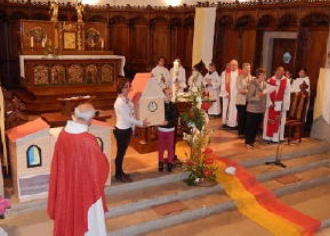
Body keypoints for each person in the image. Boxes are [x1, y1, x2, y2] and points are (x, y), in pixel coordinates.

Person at [48, 103, 109, 236]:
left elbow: (58, 163)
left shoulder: (63, 135)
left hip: (66, 185)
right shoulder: (88, 140)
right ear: (89, 119)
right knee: (89, 220)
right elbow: (100, 167)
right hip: (85, 188)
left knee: (68, 211)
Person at [114, 79, 149, 182]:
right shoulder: (119, 102)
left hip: (127, 129)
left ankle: (121, 172)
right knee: (120, 153)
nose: (129, 88)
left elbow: (132, 110)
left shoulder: (126, 99)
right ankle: (118, 175)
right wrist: (141, 123)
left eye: (129, 86)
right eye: (126, 87)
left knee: (123, 152)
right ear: (121, 88)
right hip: (121, 130)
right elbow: (128, 118)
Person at [263, 66, 291, 143]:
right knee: (269, 121)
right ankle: (268, 137)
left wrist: (283, 106)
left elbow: (287, 94)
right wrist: (270, 103)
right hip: (271, 105)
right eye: (278, 71)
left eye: (281, 72)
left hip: (280, 106)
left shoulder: (287, 81)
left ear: (283, 72)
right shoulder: (270, 80)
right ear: (275, 72)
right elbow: (267, 93)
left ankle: (276, 138)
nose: (279, 73)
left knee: (279, 122)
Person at [245, 68, 267, 149]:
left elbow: (265, 96)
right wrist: (257, 97)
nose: (265, 76)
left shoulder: (264, 84)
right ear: (258, 75)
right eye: (263, 75)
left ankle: (252, 141)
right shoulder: (253, 83)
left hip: (260, 109)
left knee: (256, 127)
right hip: (252, 109)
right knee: (250, 127)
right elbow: (248, 98)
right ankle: (248, 142)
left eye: (265, 74)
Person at [158, 88, 178, 172]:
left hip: (170, 130)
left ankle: (170, 163)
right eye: (168, 94)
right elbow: (156, 116)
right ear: (163, 95)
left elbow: (175, 118)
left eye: (171, 94)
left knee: (170, 148)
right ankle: (161, 163)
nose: (170, 96)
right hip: (161, 129)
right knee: (161, 147)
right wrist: (160, 122)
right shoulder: (159, 105)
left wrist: (168, 122)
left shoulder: (174, 105)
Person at [220, 59, 239, 128]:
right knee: (226, 108)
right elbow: (222, 83)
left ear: (237, 65)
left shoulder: (240, 72)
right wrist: (226, 93)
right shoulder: (225, 73)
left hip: (236, 95)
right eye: (232, 65)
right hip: (227, 93)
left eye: (235, 65)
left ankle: (233, 123)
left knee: (234, 109)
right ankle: (225, 122)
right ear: (229, 65)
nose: (233, 66)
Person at [236, 63, 253, 136]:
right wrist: (248, 90)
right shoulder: (239, 78)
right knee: (241, 117)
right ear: (243, 69)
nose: (248, 70)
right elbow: (240, 90)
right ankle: (241, 133)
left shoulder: (251, 78)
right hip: (240, 101)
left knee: (248, 118)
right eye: (246, 68)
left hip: (249, 101)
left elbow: (253, 90)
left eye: (249, 68)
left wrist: (247, 90)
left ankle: (246, 133)